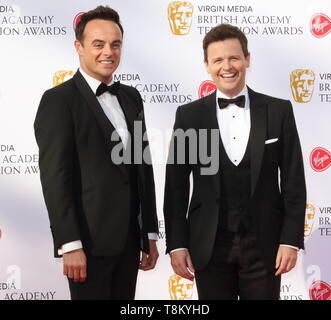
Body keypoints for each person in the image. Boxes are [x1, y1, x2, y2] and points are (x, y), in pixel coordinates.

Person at [163, 24, 306, 300]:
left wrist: (290, 240)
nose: (226, 66)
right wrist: (177, 244)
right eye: (217, 60)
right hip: (209, 246)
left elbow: (293, 181)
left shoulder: (278, 111)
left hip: (265, 246)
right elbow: (175, 187)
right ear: (206, 65)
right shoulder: (188, 116)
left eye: (234, 58)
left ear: (247, 59)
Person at [34, 6, 159, 300]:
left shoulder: (131, 96)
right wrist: (70, 244)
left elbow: (143, 168)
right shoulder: (58, 101)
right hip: (87, 245)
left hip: (129, 242)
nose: (108, 52)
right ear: (79, 47)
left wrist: (149, 233)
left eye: (115, 44)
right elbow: (55, 179)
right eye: (98, 44)